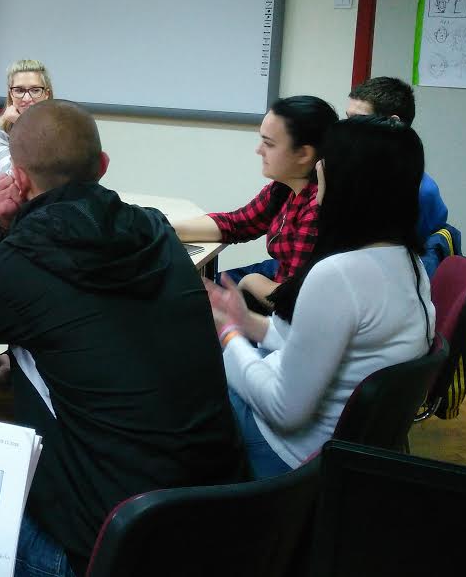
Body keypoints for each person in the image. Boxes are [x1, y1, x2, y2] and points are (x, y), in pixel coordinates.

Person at [0, 100, 244, 577]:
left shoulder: (17, 260)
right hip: (227, 524)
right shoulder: (155, 230)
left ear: (18, 181)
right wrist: (26, 355)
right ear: (103, 166)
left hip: (108, 552)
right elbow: (107, 334)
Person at [204, 116, 435, 477]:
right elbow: (313, 345)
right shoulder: (407, 262)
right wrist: (247, 322)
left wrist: (229, 334)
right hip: (330, 451)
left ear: (345, 186)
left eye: (322, 173)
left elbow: (283, 410)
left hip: (284, 455)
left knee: (173, 385)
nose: (317, 185)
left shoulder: (339, 275)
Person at [173, 95, 338, 306]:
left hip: (284, 303)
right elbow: (236, 224)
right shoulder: (283, 188)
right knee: (191, 289)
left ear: (304, 153)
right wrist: (163, 229)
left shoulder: (315, 209)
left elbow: (294, 301)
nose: (258, 150)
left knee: (190, 299)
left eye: (268, 144)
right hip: (275, 280)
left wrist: (250, 282)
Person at [345, 76, 448, 241]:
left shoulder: (420, 192)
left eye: (358, 119)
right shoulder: (349, 170)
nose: (346, 128)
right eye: (347, 118)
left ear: (392, 125)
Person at [0, 59, 52, 177]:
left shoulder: (62, 127)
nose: (26, 99)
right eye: (19, 90)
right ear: (11, 94)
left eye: (35, 90)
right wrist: (22, 125)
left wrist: (21, 123)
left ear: (46, 94)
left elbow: (55, 173)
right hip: (5, 186)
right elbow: (13, 175)